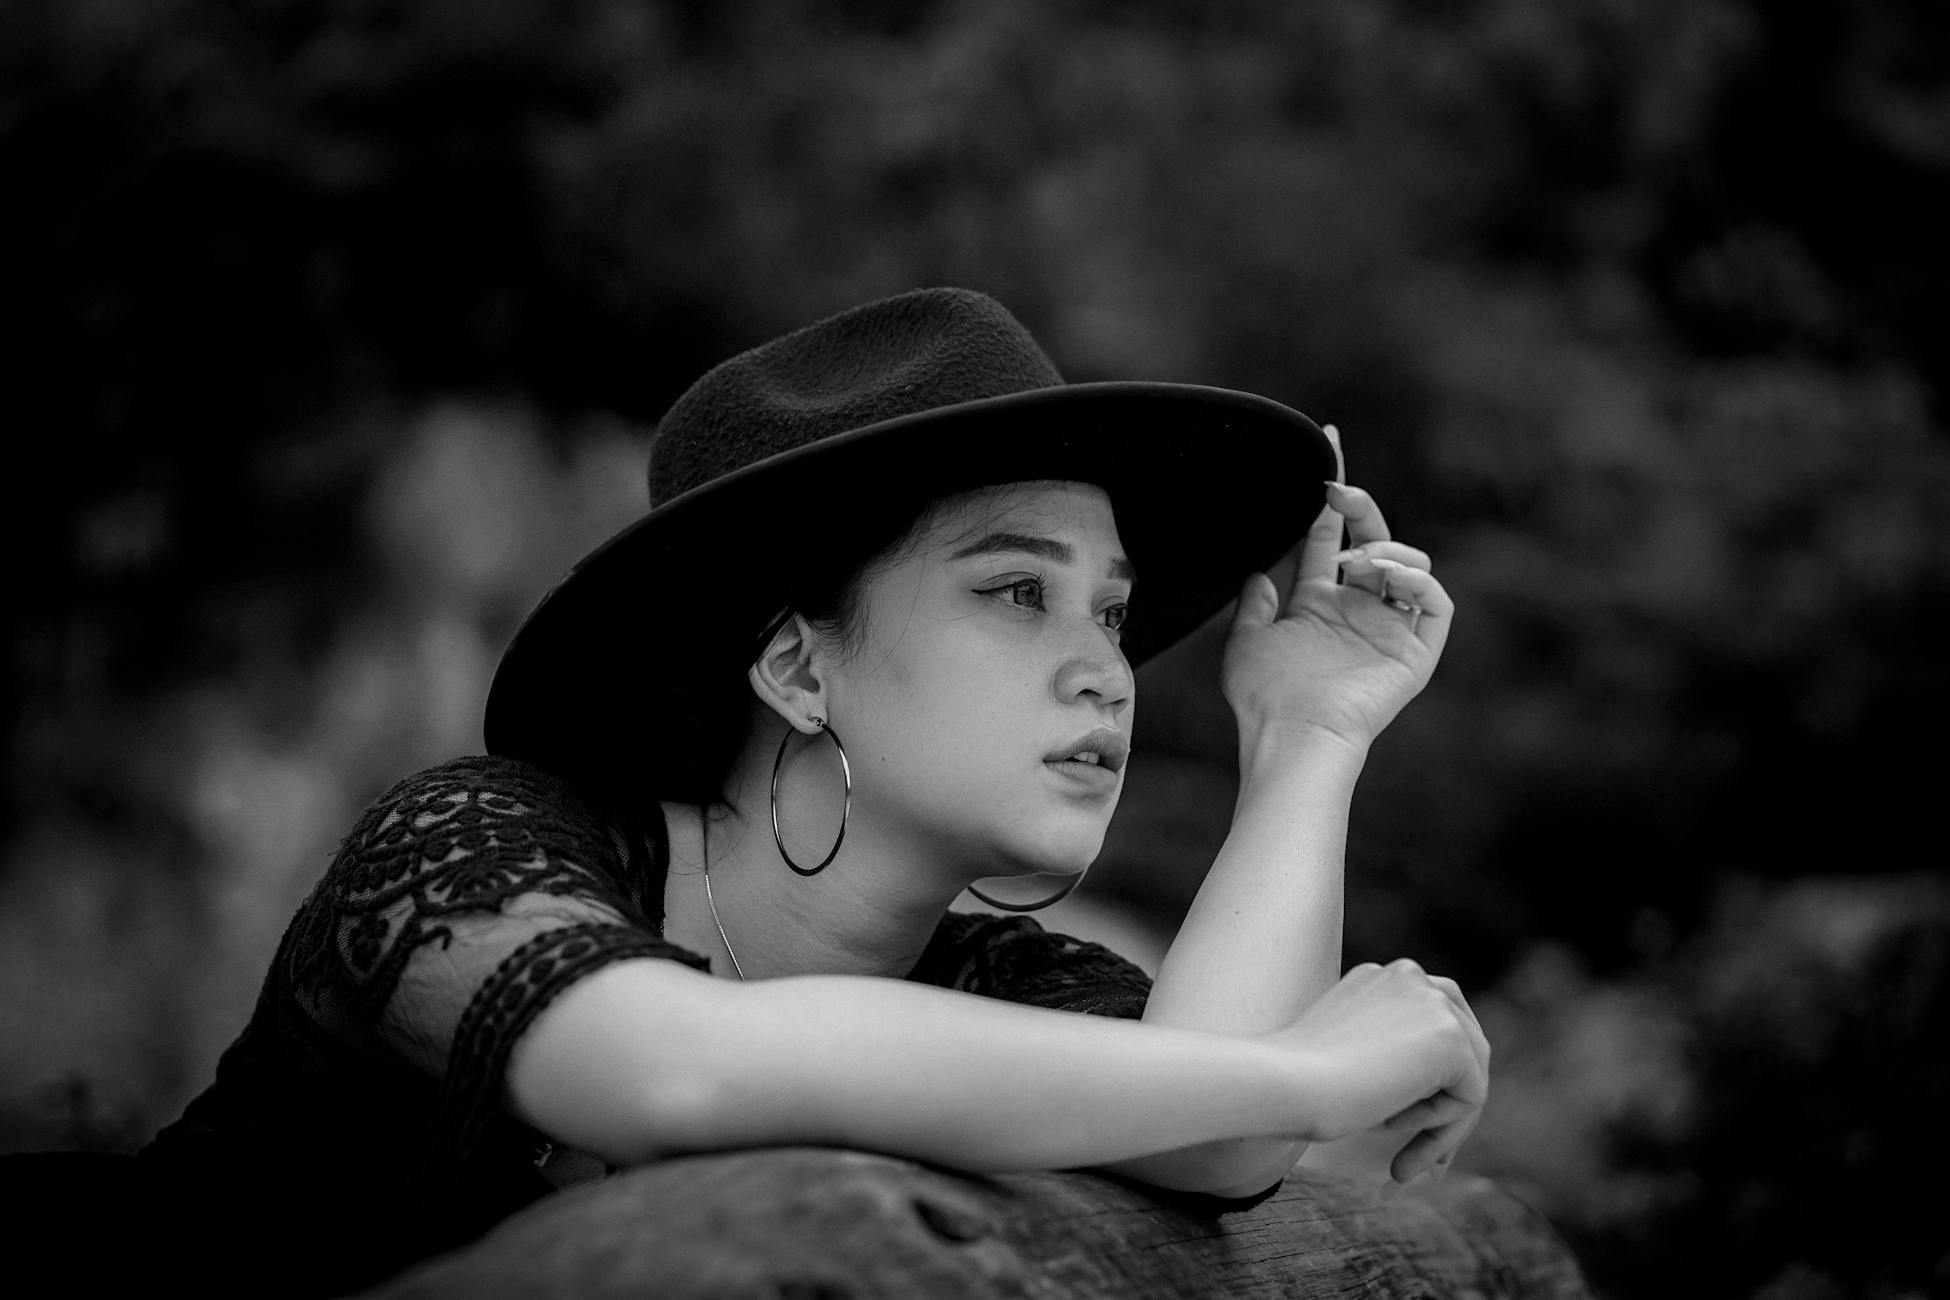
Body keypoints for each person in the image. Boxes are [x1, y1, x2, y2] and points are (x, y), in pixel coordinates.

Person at [123, 287, 1486, 1295]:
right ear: (794, 663)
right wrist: (1304, 1071)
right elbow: (671, 1070)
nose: (1105, 672)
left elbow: (1223, 1148)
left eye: (1112, 615)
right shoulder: (470, 850)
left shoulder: (1001, 988)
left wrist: (1309, 734)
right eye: (1017, 592)